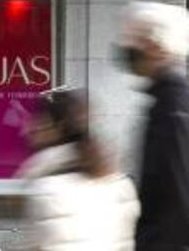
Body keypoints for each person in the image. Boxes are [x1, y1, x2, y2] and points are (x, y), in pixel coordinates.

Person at [116, 2, 189, 251]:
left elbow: (184, 200)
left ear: (157, 46)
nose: (126, 48)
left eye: (133, 40)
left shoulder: (175, 105)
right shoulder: (183, 100)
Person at [17, 89, 140, 251]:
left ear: (56, 126)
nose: (30, 126)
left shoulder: (46, 188)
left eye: (38, 118)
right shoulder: (120, 182)